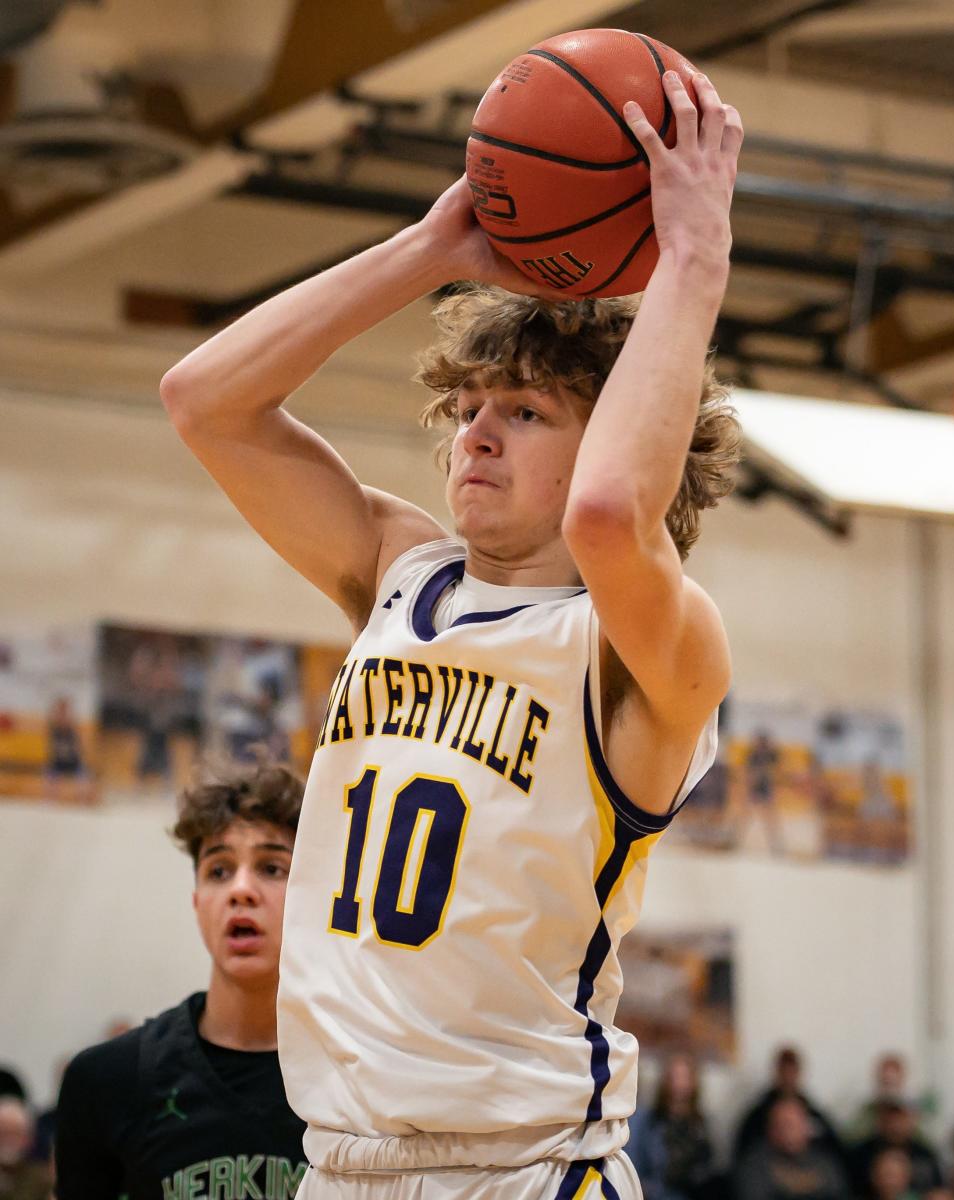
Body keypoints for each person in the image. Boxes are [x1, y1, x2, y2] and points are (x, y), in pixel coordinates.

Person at [160, 68, 743, 1200]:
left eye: (523, 412)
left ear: (616, 439)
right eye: (468, 408)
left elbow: (611, 516)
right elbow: (204, 401)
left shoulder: (645, 652)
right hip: (339, 1165)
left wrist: (695, 260)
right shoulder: (400, 574)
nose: (476, 433)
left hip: (527, 1174)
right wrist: (428, 252)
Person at [54, 761, 308, 1199]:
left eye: (271, 868)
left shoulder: (361, 1083)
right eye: (219, 870)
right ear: (197, 902)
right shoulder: (105, 1082)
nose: (240, 890)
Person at [625, 1053, 714, 1200]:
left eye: (684, 1077)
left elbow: (704, 1171)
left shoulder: (700, 1126)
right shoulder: (649, 1122)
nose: (679, 1085)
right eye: (674, 1077)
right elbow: (639, 1164)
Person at [735, 1046, 844, 1165]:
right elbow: (744, 1152)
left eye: (792, 1072)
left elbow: (835, 1149)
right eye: (784, 1072)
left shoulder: (813, 1114)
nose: (788, 1078)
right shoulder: (758, 1117)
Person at [733, 1098, 848, 1200]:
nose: (788, 1132)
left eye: (794, 1125)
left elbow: (839, 1192)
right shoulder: (754, 1164)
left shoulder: (824, 1162)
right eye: (783, 1125)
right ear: (771, 1129)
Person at [848, 1102, 942, 1200]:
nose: (895, 1124)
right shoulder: (860, 1154)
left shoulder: (926, 1155)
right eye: (886, 1174)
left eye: (894, 1175)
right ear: (874, 1176)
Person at [0, 1097, 49, 1200]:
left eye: (15, 1133)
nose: (9, 1140)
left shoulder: (42, 1179)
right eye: (3, 1133)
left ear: (29, 1139)